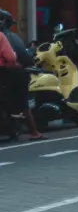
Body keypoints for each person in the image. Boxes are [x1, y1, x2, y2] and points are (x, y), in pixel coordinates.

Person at [0, 10, 43, 140]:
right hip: (5, 73)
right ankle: (34, 132)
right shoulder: (4, 37)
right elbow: (12, 58)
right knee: (23, 100)